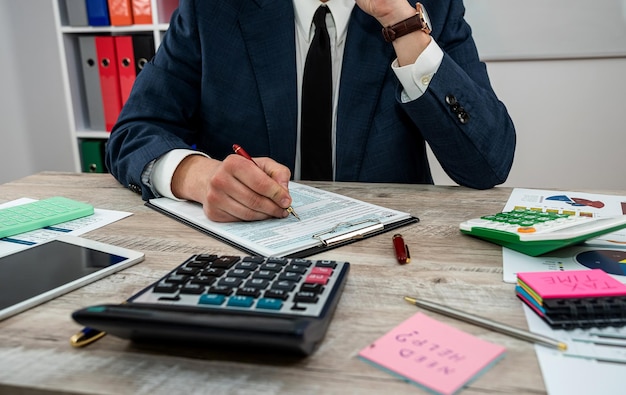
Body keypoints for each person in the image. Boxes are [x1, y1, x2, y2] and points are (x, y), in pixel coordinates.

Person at [105, 0, 516, 222]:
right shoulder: (211, 9)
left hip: (387, 248)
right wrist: (198, 176)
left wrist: (402, 24)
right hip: (246, 246)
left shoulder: (430, 7)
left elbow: (487, 163)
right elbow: (135, 131)